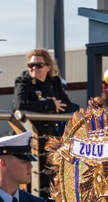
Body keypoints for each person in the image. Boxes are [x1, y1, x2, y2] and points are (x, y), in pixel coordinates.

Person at [13, 48, 79, 194]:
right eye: (31, 65)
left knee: (50, 174)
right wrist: (50, 105)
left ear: (48, 66)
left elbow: (67, 105)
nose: (34, 68)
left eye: (39, 65)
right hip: (29, 137)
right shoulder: (23, 81)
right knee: (30, 175)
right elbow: (20, 105)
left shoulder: (54, 83)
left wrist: (43, 105)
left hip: (48, 136)